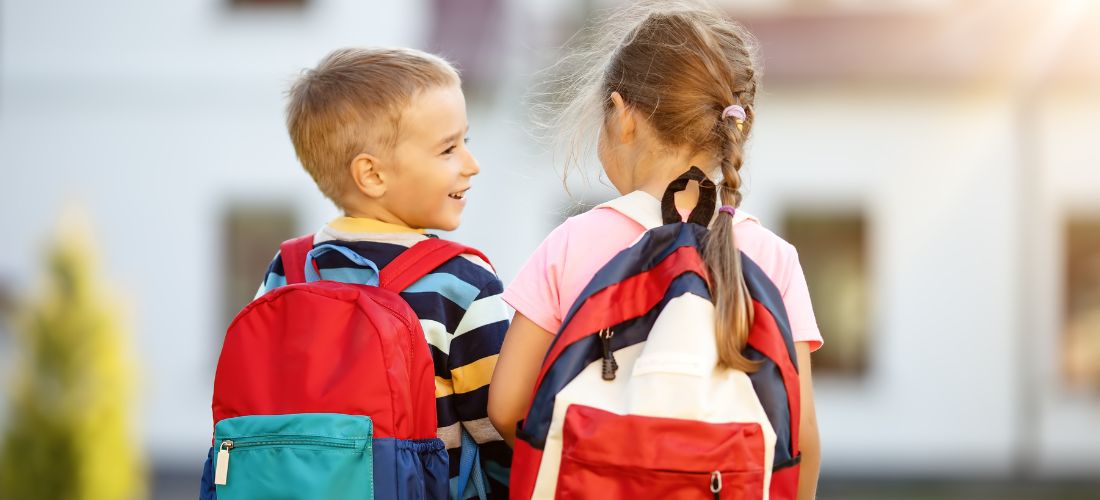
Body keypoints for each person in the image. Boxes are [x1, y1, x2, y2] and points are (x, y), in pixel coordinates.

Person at [486, 2, 821, 498]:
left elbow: (508, 406)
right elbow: (801, 435)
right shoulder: (773, 257)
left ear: (622, 118)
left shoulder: (572, 242)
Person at [205, 47, 511, 499]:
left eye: (467, 141)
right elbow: (499, 428)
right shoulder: (461, 281)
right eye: (448, 148)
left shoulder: (288, 271)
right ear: (371, 175)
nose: (471, 163)